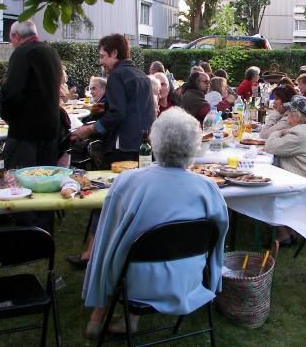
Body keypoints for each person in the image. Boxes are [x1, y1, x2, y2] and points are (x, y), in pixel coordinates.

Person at [82, 108, 228, 338]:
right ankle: (122, 318)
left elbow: (106, 242)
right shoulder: (209, 188)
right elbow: (217, 245)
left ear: (154, 140)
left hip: (135, 284)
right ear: (195, 145)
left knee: (115, 246)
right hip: (189, 279)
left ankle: (99, 316)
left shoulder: (128, 183)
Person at [69, 34, 155, 268]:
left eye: (103, 56)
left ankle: (91, 254)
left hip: (121, 148)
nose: (101, 62)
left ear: (115, 53)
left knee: (106, 198)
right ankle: (129, 250)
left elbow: (118, 115)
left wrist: (88, 130)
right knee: (135, 201)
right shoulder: (142, 76)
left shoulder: (118, 75)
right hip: (142, 147)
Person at [0, 20, 62, 233]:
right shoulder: (51, 52)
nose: (11, 43)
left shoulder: (22, 53)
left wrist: (6, 114)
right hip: (50, 128)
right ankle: (45, 230)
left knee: (20, 181)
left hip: (26, 131)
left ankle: (26, 233)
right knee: (47, 183)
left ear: (16, 36)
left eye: (10, 39)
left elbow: (11, 92)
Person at [264, 95, 306, 246]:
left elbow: (270, 146)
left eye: (289, 112)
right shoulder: (305, 129)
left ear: (297, 116)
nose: (287, 115)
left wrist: (277, 133)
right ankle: (290, 230)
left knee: (268, 191)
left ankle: (284, 234)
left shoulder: (299, 134)